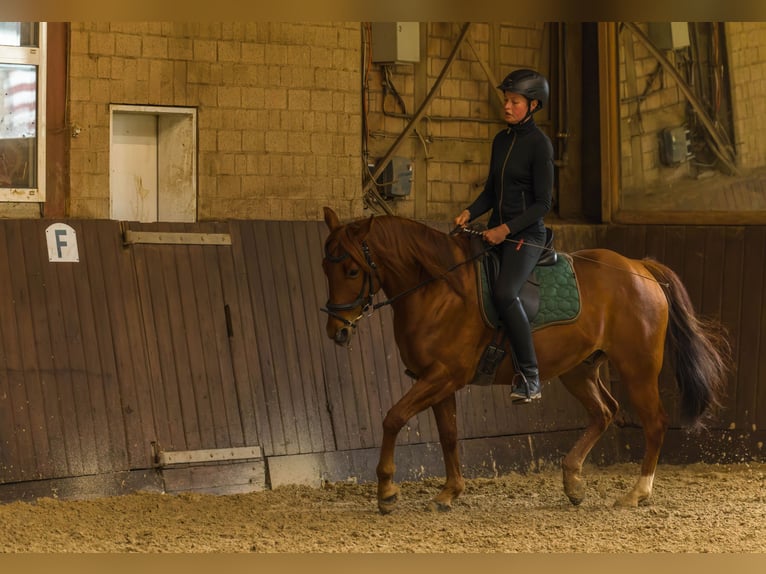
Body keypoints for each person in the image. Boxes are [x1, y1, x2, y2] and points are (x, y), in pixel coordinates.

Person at [453, 68, 554, 404]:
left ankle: (530, 376)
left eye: (514, 101)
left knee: (505, 292)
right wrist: (470, 211)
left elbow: (542, 204)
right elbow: (490, 191)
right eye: (506, 101)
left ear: (534, 105)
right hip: (496, 229)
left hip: (526, 236)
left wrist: (504, 229)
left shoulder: (540, 145)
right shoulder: (501, 141)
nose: (507, 106)